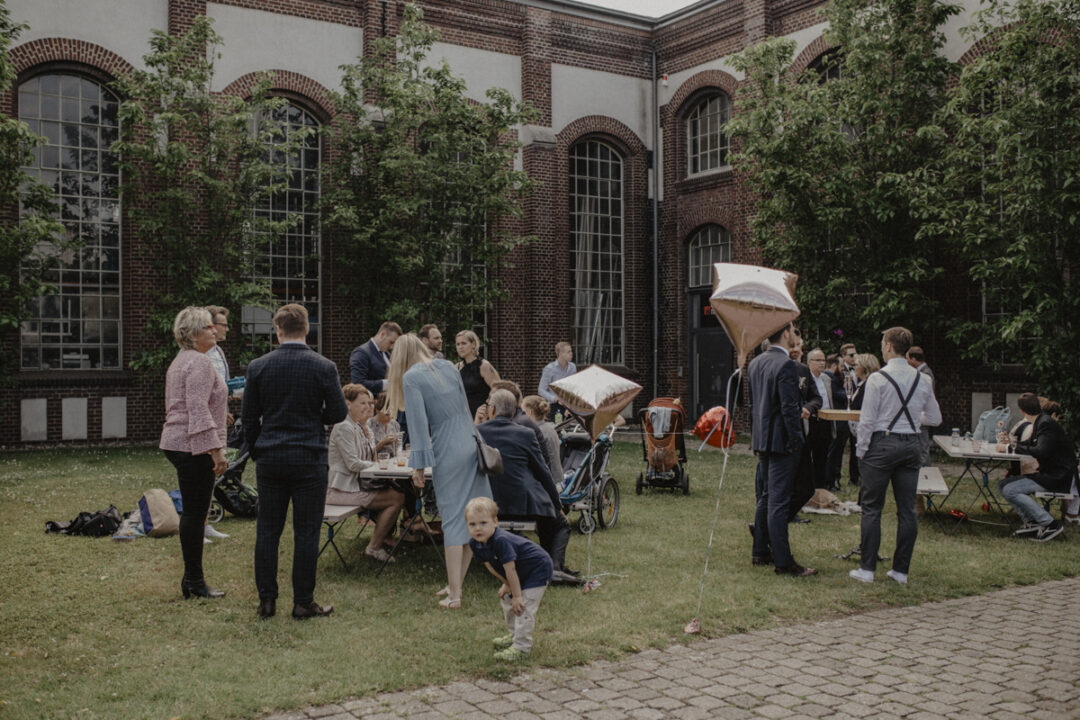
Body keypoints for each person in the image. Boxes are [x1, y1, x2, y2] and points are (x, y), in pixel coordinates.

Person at [243, 304, 348, 620]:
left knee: (267, 530)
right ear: (307, 329)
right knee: (306, 531)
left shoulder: (259, 366)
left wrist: (258, 450)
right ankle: (302, 601)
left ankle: (267, 600)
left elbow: (249, 417)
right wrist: (314, 417)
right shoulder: (323, 366)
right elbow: (339, 412)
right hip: (309, 456)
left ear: (278, 330)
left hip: (271, 456)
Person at [387, 333, 492, 609]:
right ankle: (455, 584)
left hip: (447, 446)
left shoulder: (411, 378)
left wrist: (419, 467)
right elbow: (465, 408)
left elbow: (418, 426)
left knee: (452, 520)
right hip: (470, 440)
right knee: (470, 517)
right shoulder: (448, 366)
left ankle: (455, 594)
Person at [850, 327, 941, 585]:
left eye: (883, 343)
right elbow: (935, 418)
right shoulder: (922, 379)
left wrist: (861, 449)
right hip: (911, 443)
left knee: (872, 508)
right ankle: (900, 571)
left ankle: (867, 569)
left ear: (889, 346)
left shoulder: (877, 379)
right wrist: (911, 418)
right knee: (907, 509)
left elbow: (867, 421)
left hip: (882, 443)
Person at [159, 306, 229, 599]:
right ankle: (195, 582)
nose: (214, 331)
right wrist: (216, 450)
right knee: (195, 514)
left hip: (178, 442)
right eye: (209, 326)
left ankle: (192, 580)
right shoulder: (199, 362)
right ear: (194, 333)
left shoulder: (181, 360)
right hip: (192, 445)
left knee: (193, 512)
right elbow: (197, 409)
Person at [478, 389, 571, 576]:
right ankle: (554, 566)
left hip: (488, 503)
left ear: (492, 409)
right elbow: (543, 472)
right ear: (514, 410)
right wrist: (557, 504)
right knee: (561, 524)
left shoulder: (477, 432)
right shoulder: (525, 434)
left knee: (549, 522)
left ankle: (545, 564)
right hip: (522, 504)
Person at [748, 322, 816, 576]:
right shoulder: (785, 364)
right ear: (786, 333)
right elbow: (789, 408)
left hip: (764, 439)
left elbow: (753, 406)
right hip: (782, 442)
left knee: (767, 497)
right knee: (778, 501)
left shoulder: (755, 363)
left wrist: (756, 439)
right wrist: (797, 441)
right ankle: (784, 562)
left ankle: (760, 551)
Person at [466, 496, 553, 661]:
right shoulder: (474, 543)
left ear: (495, 522)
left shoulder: (501, 540)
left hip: (537, 569)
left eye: (483, 523)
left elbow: (510, 568)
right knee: (507, 598)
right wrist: (506, 585)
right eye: (472, 524)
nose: (478, 528)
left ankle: (522, 647)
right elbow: (490, 565)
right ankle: (514, 635)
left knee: (522, 606)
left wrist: (517, 595)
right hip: (519, 572)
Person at [327, 384, 405, 562]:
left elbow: (370, 457)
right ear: (348, 405)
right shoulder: (343, 427)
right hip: (342, 490)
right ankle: (374, 547)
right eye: (363, 403)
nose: (369, 407)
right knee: (396, 498)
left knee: (400, 490)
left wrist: (380, 465)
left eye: (370, 403)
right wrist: (380, 467)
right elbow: (353, 464)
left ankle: (387, 535)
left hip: (358, 485)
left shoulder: (360, 427)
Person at [997, 392, 1073, 542]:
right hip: (1051, 473)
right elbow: (1031, 445)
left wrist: (1009, 448)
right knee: (1002, 485)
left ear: (1022, 411)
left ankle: (1049, 524)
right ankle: (1031, 522)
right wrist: (1010, 444)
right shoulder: (1041, 421)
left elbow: (1041, 451)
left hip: (1057, 477)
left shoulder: (1045, 423)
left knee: (1010, 490)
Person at [202, 305, 235, 542]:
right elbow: (203, 393)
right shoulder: (202, 354)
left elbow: (222, 386)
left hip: (219, 417)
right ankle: (198, 525)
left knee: (212, 473)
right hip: (208, 421)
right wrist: (220, 411)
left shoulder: (219, 352)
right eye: (223, 324)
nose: (227, 329)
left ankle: (205, 522)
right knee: (203, 471)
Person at [788, 334, 822, 525]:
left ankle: (787, 514)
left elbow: (817, 398)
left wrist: (808, 408)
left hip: (800, 432)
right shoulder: (775, 367)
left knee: (806, 485)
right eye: (792, 345)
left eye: (798, 346)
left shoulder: (803, 370)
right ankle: (776, 517)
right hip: (779, 433)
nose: (795, 349)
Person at [828, 343, 858, 487]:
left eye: (856, 354)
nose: (854, 357)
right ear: (844, 356)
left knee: (855, 446)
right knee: (838, 448)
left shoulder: (858, 369)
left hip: (854, 414)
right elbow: (839, 392)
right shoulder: (839, 371)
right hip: (842, 415)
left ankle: (855, 477)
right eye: (851, 355)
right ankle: (835, 478)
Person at [805, 348, 835, 491]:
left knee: (822, 456)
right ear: (809, 362)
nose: (822, 363)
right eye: (818, 360)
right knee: (807, 456)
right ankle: (808, 487)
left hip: (825, 421)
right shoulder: (805, 379)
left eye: (823, 360)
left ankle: (820, 488)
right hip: (810, 421)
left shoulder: (826, 379)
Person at [522, 395, 564, 492]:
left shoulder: (536, 432)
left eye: (523, 412)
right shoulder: (550, 428)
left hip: (548, 483)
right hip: (558, 479)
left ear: (529, 412)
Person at [456, 329, 500, 418]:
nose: (460, 347)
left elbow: (498, 388)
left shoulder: (484, 366)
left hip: (482, 416)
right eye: (458, 344)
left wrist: (488, 408)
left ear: (473, 344)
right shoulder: (457, 367)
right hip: (463, 416)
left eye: (464, 343)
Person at [349, 321, 402, 395]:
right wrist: (387, 384)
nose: (392, 347)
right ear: (383, 334)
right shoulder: (361, 353)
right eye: (391, 342)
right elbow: (358, 383)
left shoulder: (387, 354)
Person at [905, 346, 936, 468]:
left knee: (923, 447)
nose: (906, 362)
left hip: (922, 415)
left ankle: (926, 471)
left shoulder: (926, 374)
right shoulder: (921, 372)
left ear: (913, 359)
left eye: (907, 358)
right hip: (918, 415)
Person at [538, 341, 576, 421]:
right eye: (569, 352)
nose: (571, 353)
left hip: (569, 405)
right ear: (561, 354)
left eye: (571, 351)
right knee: (559, 427)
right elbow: (541, 390)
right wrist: (555, 399)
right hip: (554, 405)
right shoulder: (549, 369)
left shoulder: (572, 367)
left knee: (571, 426)